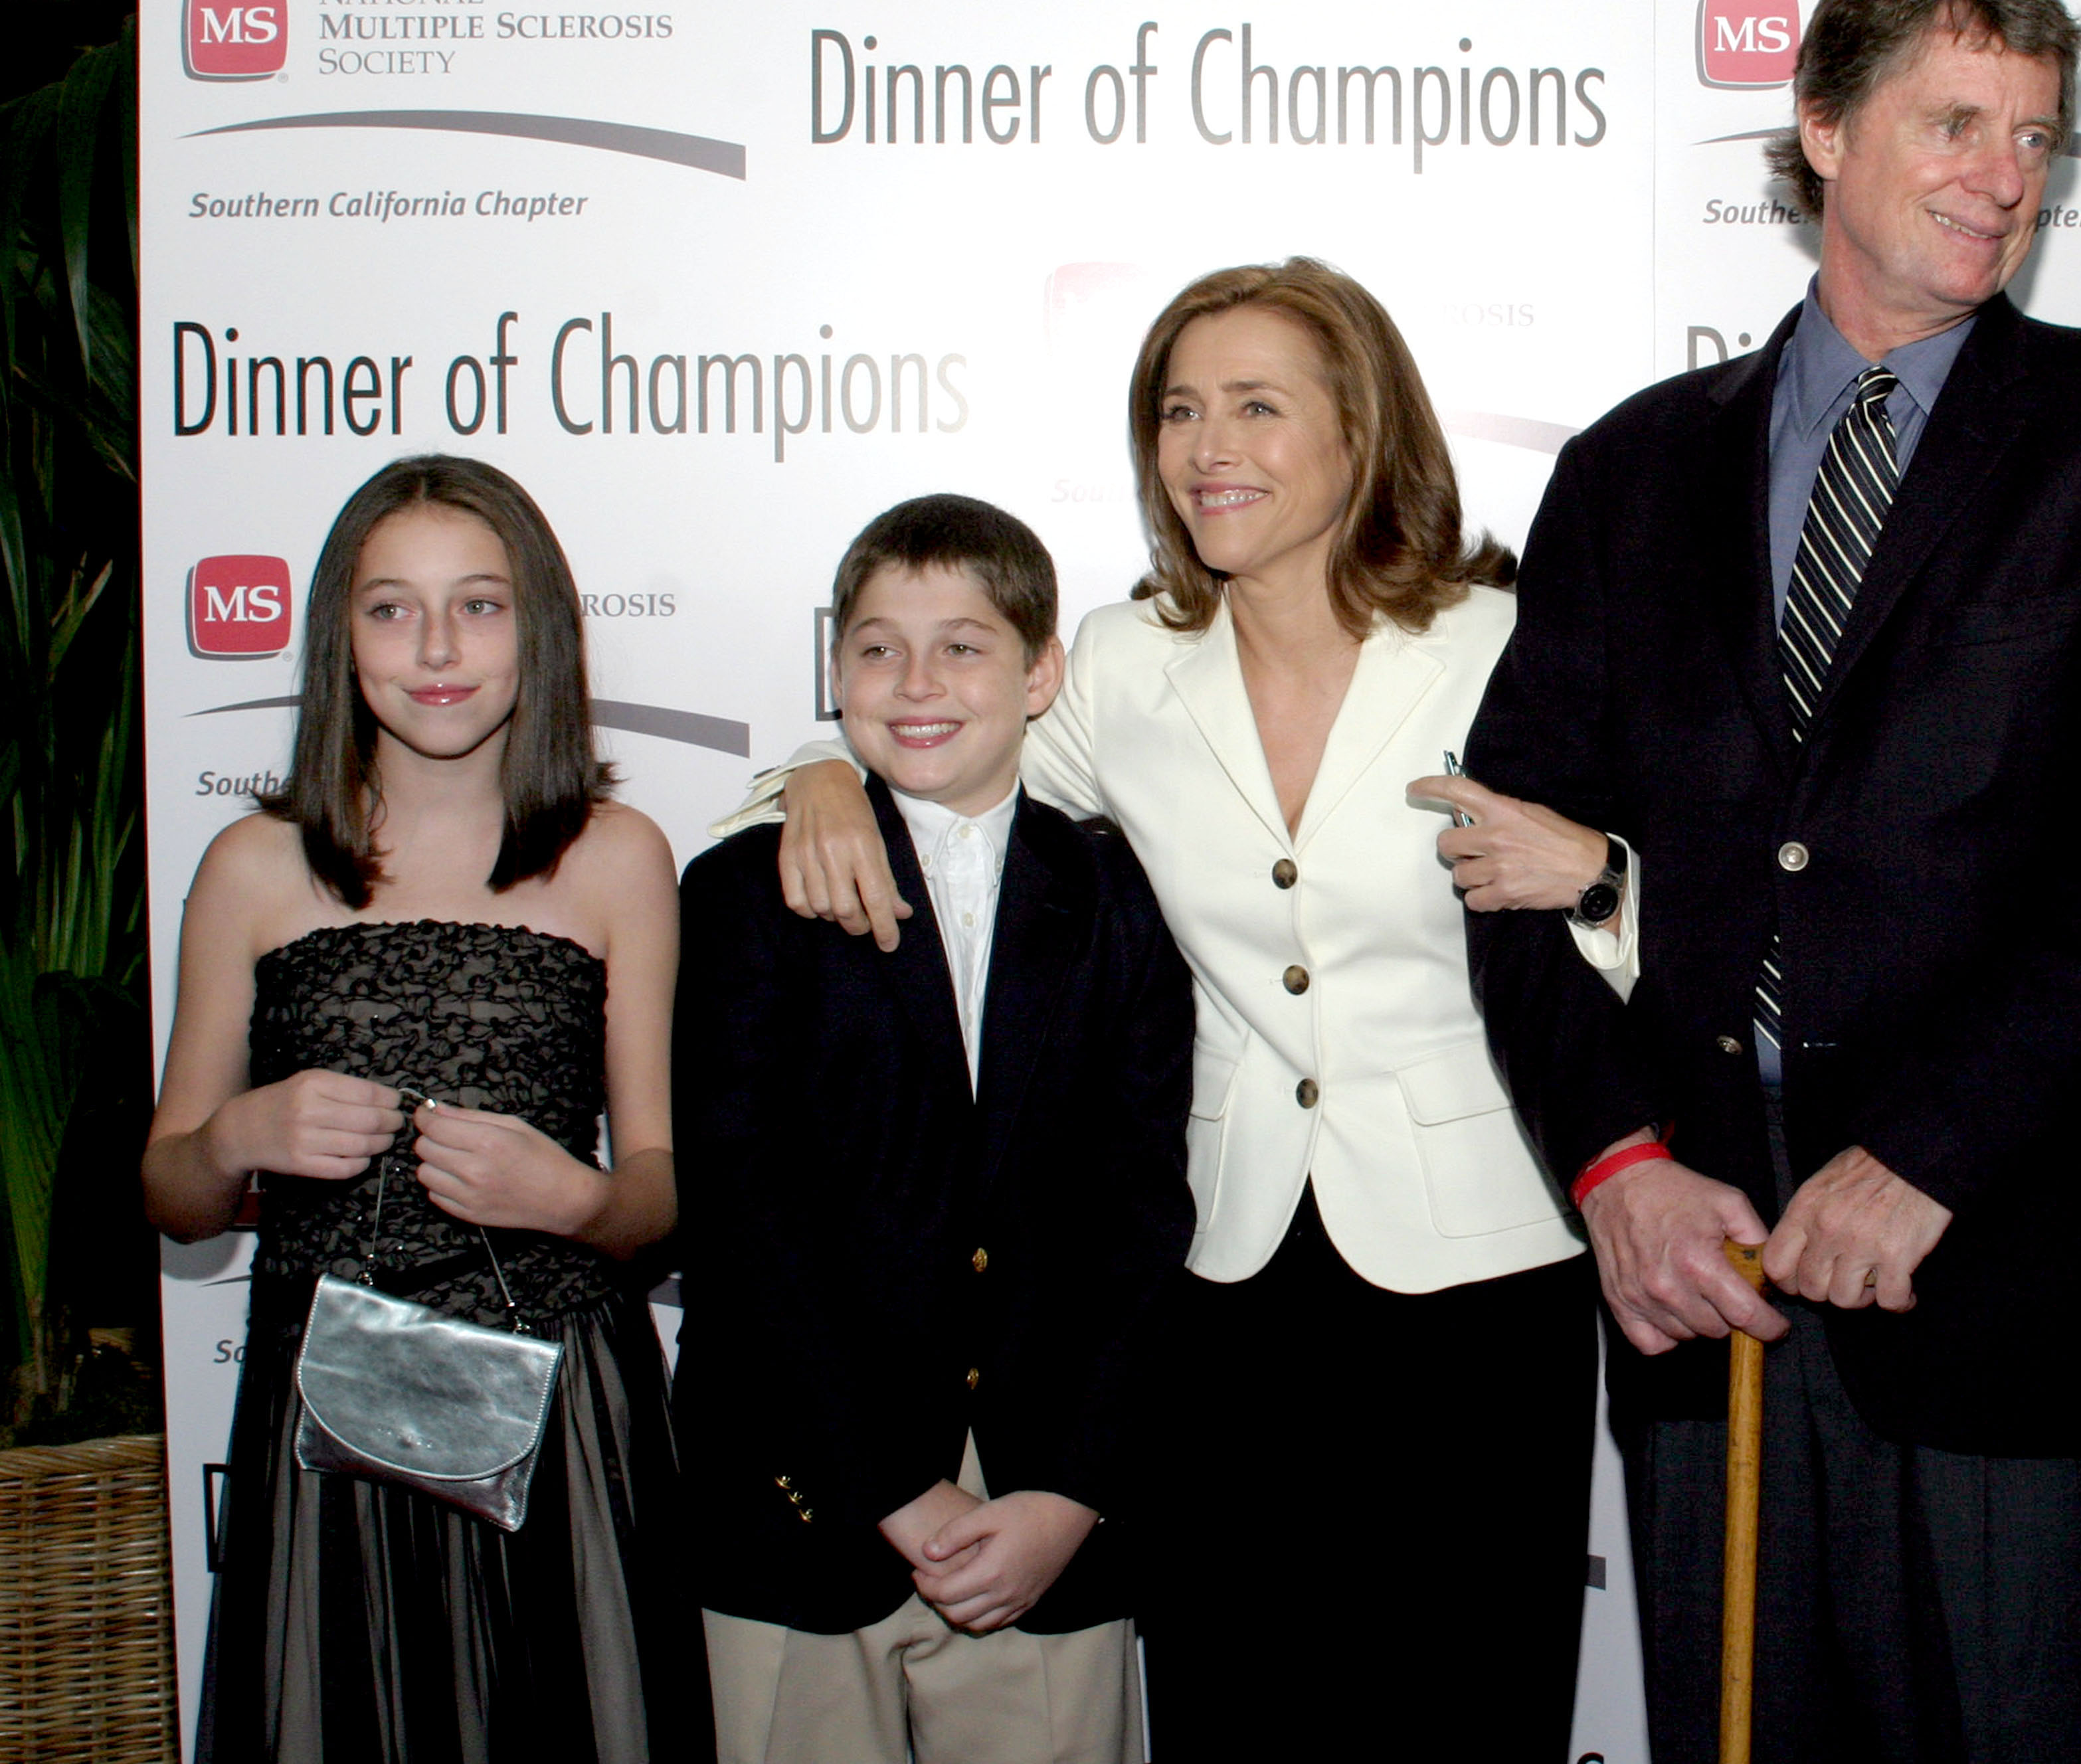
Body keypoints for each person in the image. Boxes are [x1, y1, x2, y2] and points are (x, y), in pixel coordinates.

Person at [1455, 0, 2081, 1763]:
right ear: (1820, 127)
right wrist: (1612, 1167)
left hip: (2004, 1299)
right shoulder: (1629, 469)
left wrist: (1928, 1153)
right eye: (1957, 120)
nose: (2006, 175)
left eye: (2037, 136)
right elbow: (1513, 865)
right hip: (1701, 1296)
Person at [725, 260, 1606, 1760]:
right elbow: (933, 753)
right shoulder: (1128, 664)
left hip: (1482, 1275)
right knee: (1236, 1698)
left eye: (1258, 407)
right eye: (1180, 411)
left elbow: (1677, 921)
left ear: (1360, 428)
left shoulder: (1503, 638)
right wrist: (811, 778)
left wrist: (1598, 875)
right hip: (1228, 1274)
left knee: (1469, 1701)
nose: (1210, 447)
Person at [143, 454, 707, 1763]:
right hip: (329, 1435)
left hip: (564, 1421)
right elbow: (174, 1196)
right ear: (341, 635)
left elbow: (661, 1191)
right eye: (392, 609)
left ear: (542, 631)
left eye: (482, 605)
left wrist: (575, 1199)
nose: (439, 649)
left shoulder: (618, 856)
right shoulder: (254, 867)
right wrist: (239, 1139)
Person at [672, 495, 1192, 1764]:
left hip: (1044, 1521)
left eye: (962, 645)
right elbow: (744, 1217)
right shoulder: (747, 889)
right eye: (875, 648)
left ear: (1039, 673)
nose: (917, 682)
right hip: (802, 1506)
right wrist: (887, 1489)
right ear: (834, 668)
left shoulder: (1121, 895)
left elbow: (1142, 1213)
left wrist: (1070, 1492)